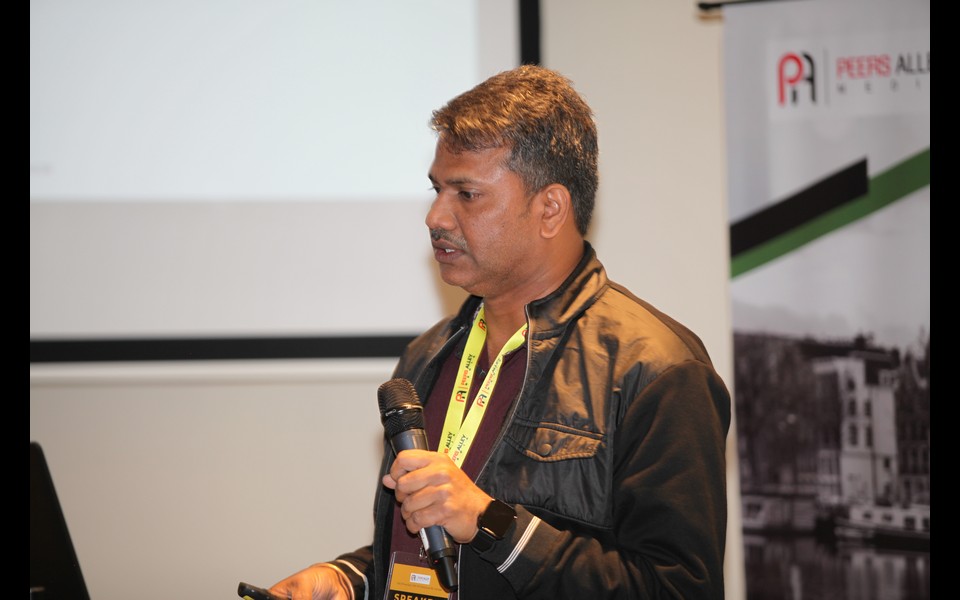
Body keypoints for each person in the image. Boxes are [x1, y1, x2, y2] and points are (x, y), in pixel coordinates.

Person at [268, 64, 731, 600]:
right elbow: (436, 552)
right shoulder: (428, 356)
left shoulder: (658, 371)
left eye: (466, 194)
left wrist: (493, 524)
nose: (435, 217)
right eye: (436, 190)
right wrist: (350, 579)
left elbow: (678, 589)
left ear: (550, 209)